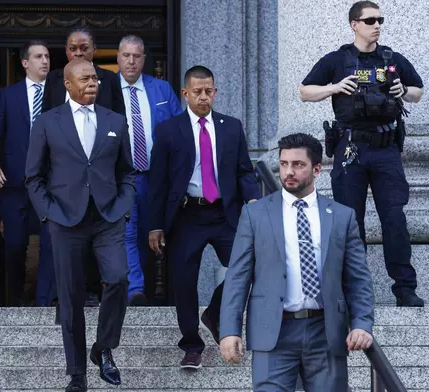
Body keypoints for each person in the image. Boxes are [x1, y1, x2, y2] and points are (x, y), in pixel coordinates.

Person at [220, 133, 375, 391]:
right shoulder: (255, 214)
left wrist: (362, 324)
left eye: (298, 164)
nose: (288, 171)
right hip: (273, 331)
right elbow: (237, 276)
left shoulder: (341, 216)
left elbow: (358, 279)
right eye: (283, 164)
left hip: (325, 331)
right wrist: (229, 330)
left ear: (316, 169)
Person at [299, 0, 424, 307]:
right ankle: (352, 290)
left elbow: (418, 90)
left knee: (394, 218)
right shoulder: (338, 60)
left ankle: (405, 288)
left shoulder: (391, 58)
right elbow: (305, 91)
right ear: (354, 24)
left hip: (386, 149)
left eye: (380, 19)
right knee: (349, 221)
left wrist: (402, 91)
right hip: (351, 148)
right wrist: (334, 87)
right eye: (370, 20)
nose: (377, 25)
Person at [25, 59, 135, 392]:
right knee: (71, 297)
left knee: (118, 278)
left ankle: (102, 348)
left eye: (96, 79)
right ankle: (77, 374)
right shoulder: (47, 122)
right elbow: (33, 176)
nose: (93, 83)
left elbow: (127, 172)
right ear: (68, 85)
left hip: (107, 217)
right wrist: (48, 213)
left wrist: (122, 207)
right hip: (65, 220)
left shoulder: (115, 120)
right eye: (85, 79)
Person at [148, 65, 259, 369]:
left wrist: (253, 201)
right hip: (186, 215)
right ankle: (191, 345)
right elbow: (158, 182)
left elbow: (244, 171)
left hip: (225, 213)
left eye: (208, 91)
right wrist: (155, 225)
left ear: (215, 92)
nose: (203, 97)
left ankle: (214, 312)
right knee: (184, 282)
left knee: (248, 265)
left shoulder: (231, 127)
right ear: (185, 94)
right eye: (196, 91)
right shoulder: (169, 130)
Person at [43, 27, 126, 306]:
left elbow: (120, 126)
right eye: (72, 48)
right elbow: (46, 129)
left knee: (112, 268)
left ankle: (96, 294)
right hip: (65, 191)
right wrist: (48, 208)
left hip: (103, 187)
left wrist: (122, 201)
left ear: (94, 50)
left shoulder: (109, 80)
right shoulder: (54, 80)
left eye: (84, 48)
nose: (78, 52)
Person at [0, 40, 56, 307]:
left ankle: (44, 302)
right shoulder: (8, 95)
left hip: (50, 183)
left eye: (47, 56)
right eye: (38, 56)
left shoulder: (59, 93)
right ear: (25, 63)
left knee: (50, 245)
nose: (45, 61)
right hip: (14, 183)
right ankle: (14, 303)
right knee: (14, 245)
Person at [116, 35, 183, 306]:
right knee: (127, 233)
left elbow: (179, 130)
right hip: (123, 177)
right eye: (126, 55)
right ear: (118, 57)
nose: (131, 61)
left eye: (137, 56)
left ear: (144, 59)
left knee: (151, 234)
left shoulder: (162, 89)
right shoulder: (106, 89)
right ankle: (135, 290)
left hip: (157, 176)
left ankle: (147, 290)